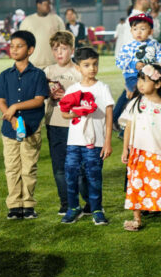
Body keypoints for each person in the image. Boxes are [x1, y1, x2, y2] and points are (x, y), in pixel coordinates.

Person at [0, 31, 49, 220]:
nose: (14, 49)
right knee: (12, 168)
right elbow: (1, 100)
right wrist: (11, 118)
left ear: (30, 50)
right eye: (12, 45)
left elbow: (39, 100)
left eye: (20, 46)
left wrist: (15, 106)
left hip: (31, 128)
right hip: (10, 130)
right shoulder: (4, 75)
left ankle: (28, 204)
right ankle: (15, 205)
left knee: (28, 168)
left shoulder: (38, 75)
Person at [60, 47, 114, 225]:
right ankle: (73, 207)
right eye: (86, 65)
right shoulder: (73, 89)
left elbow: (108, 116)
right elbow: (65, 113)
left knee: (94, 176)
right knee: (71, 175)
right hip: (74, 142)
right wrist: (78, 112)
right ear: (78, 67)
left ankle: (96, 209)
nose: (92, 68)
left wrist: (107, 142)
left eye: (95, 64)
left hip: (95, 141)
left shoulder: (102, 88)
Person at [43, 31, 89, 215]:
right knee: (59, 167)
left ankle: (89, 202)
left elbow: (88, 98)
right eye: (56, 49)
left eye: (64, 48)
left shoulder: (78, 71)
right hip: (54, 123)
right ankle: (67, 203)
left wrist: (67, 97)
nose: (59, 53)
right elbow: (39, 95)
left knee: (79, 167)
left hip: (76, 124)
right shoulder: (48, 71)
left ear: (72, 49)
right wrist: (49, 94)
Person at [119, 63, 161, 231]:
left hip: (157, 152)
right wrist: (125, 149)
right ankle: (136, 219)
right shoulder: (136, 102)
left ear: (158, 84)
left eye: (145, 80)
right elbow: (128, 127)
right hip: (138, 152)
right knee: (136, 184)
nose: (141, 84)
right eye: (139, 80)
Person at [19, 0, 65, 68]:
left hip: (54, 63)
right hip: (33, 63)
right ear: (38, 5)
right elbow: (21, 42)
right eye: (47, 4)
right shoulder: (27, 21)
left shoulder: (57, 20)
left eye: (51, 4)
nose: (50, 6)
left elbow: (64, 40)